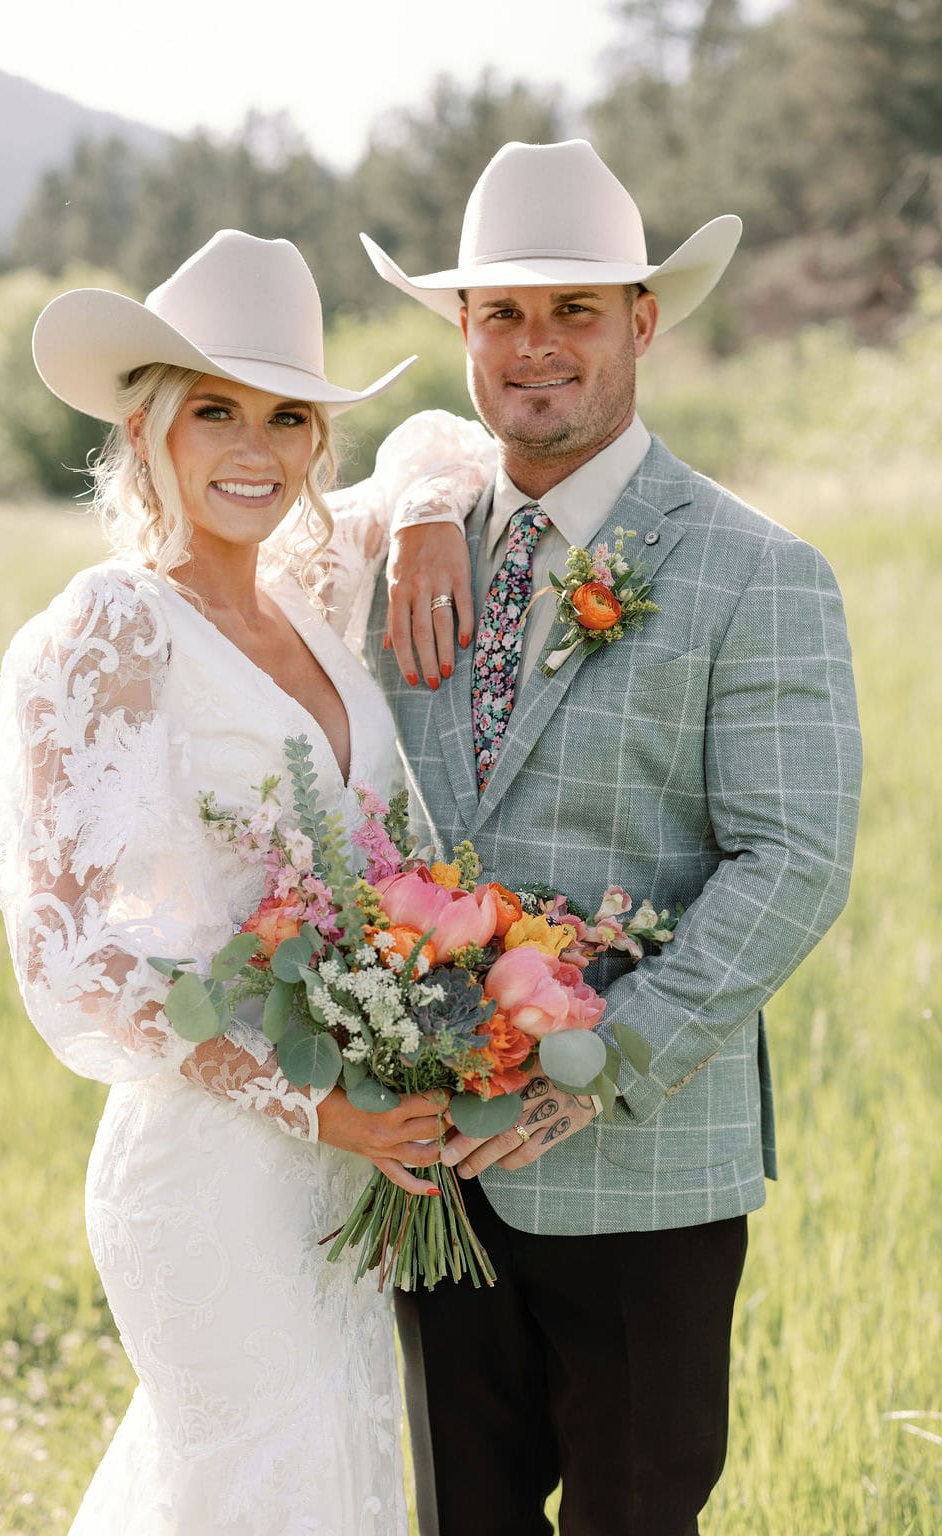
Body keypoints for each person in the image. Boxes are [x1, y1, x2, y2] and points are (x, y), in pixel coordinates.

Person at [363, 140, 863, 1535]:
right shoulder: (406, 550)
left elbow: (796, 861)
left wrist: (603, 1067)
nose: (536, 345)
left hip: (647, 1165)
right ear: (464, 334)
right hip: (431, 1168)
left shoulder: (757, 570)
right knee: (459, 1515)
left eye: (574, 309)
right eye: (502, 314)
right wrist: (418, 500)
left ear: (643, 322)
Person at [0, 229, 490, 1535]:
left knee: (328, 1478)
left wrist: (424, 519)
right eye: (216, 411)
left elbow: (444, 436)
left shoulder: (306, 594)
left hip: (342, 1166)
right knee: (256, 1485)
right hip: (214, 1164)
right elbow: (72, 954)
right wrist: (319, 1104)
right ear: (146, 427)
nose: (256, 448)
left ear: (317, 442)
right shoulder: (112, 627)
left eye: (288, 416)